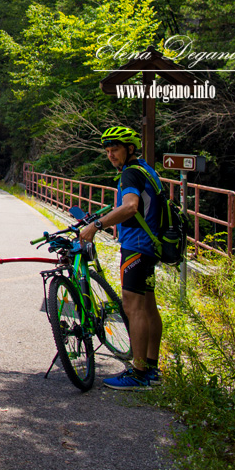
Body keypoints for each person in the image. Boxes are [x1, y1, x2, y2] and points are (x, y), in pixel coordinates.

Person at [79, 125, 164, 390]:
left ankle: (138, 373)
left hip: (136, 247)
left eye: (114, 149)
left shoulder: (130, 174)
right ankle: (151, 367)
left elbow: (130, 207)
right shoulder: (147, 171)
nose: (110, 155)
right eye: (107, 150)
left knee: (132, 306)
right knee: (148, 306)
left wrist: (96, 226)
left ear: (129, 149)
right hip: (150, 246)